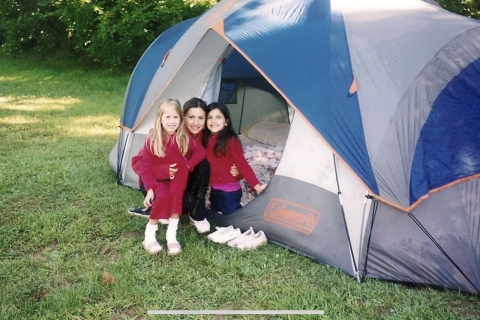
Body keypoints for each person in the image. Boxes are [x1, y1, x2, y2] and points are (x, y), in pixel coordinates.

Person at [128, 97, 240, 232]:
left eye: (201, 118)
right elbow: (138, 163)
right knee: (183, 199)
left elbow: (221, 161)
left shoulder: (205, 137)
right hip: (155, 181)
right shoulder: (167, 134)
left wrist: (237, 172)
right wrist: (164, 171)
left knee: (201, 168)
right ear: (183, 117)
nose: (195, 123)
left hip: (180, 182)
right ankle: (157, 209)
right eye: (191, 117)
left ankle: (196, 213)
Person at [138, 98, 205, 255]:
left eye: (175, 117)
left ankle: (171, 237)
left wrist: (188, 165)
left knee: (176, 202)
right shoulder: (152, 139)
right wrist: (149, 189)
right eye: (167, 117)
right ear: (160, 119)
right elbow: (145, 167)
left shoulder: (183, 137)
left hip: (178, 179)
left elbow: (201, 152)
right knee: (161, 198)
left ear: (180, 119)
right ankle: (149, 237)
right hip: (158, 180)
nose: (172, 121)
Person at [204, 102, 267, 214]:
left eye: (218, 117)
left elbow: (242, 164)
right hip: (214, 190)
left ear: (226, 122)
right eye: (210, 117)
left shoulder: (231, 140)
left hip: (229, 191)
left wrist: (256, 186)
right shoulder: (205, 139)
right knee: (216, 216)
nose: (213, 121)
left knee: (233, 217)